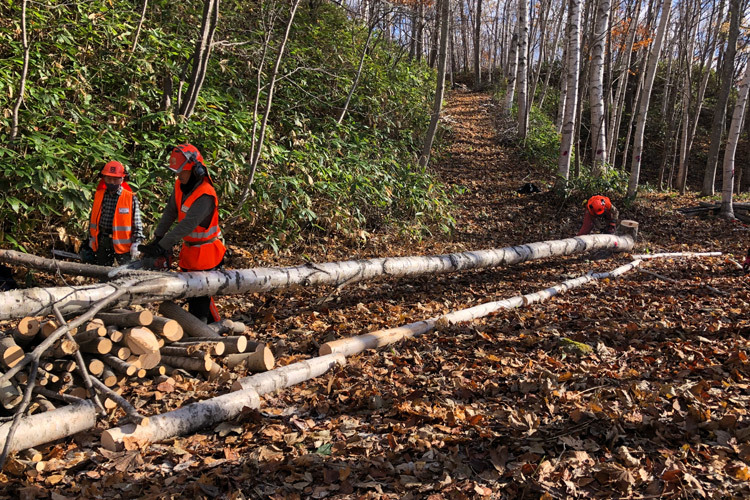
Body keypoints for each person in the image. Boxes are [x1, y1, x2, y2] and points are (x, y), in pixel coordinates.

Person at [140, 144, 226, 323]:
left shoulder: (205, 195)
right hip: (190, 252)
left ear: (196, 171)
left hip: (207, 254)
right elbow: (170, 212)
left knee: (201, 300)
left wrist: (163, 245)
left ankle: (208, 332)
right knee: (194, 297)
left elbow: (187, 225)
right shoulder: (180, 186)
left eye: (181, 172)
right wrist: (157, 238)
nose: (178, 175)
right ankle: (207, 329)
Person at [87, 160, 144, 266]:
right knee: (102, 272)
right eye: (109, 179)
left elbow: (137, 223)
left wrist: (136, 242)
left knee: (127, 274)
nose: (112, 182)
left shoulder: (130, 197)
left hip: (123, 245)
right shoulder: (99, 195)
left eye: (115, 179)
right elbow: (93, 219)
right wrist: (91, 237)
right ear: (104, 178)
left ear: (122, 179)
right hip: (102, 239)